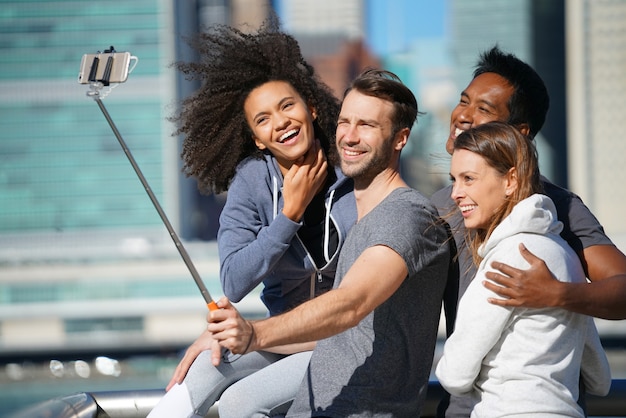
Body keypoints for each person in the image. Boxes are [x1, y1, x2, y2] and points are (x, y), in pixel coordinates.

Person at [207, 69, 451, 417]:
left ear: (400, 139)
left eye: (366, 125)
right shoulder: (359, 217)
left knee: (240, 400)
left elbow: (350, 305)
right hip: (318, 403)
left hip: (363, 409)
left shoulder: (406, 216)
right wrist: (232, 337)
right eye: (345, 122)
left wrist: (254, 334)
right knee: (209, 370)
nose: (349, 137)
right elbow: (339, 333)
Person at [147, 19, 357, 418]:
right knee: (202, 370)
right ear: (258, 139)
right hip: (282, 334)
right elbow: (234, 281)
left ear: (311, 107)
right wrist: (288, 215)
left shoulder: (351, 174)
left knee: (241, 401)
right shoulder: (252, 180)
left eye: (287, 106)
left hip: (342, 338)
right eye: (263, 120)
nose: (280, 122)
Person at [430, 45, 626, 416]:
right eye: (464, 101)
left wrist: (557, 294)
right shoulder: (438, 207)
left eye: (484, 110)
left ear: (518, 134)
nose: (464, 116)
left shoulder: (560, 206)